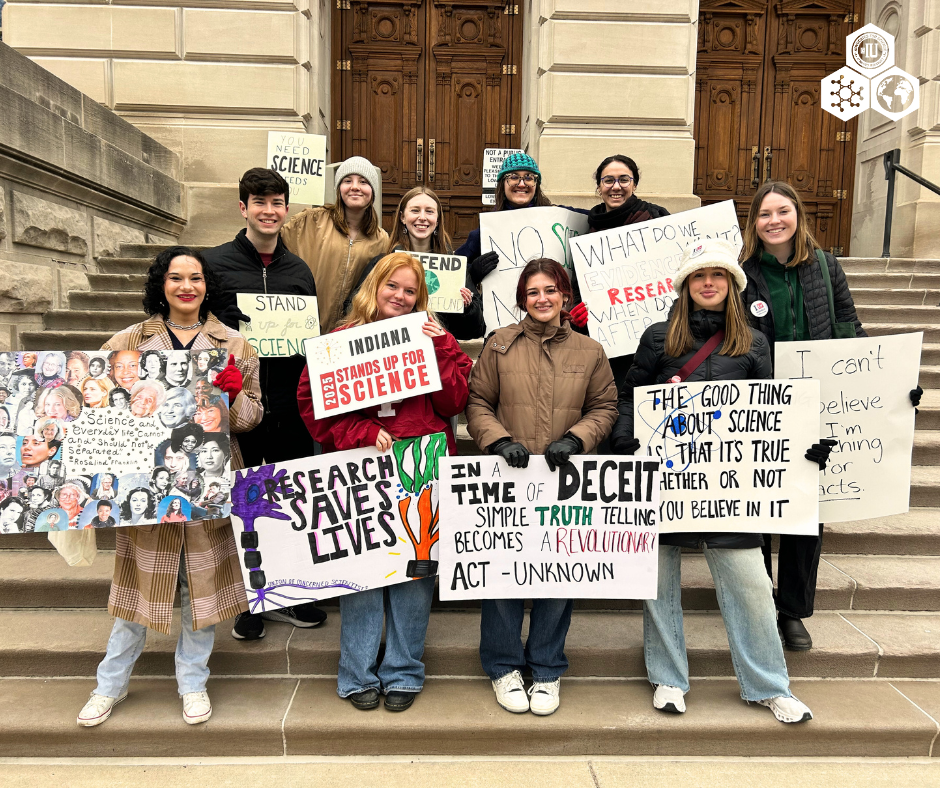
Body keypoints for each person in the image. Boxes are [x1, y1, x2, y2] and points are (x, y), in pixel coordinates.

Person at [610, 238, 833, 724]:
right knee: (658, 585)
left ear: (732, 284)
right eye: (698, 276)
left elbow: (773, 413)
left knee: (752, 586)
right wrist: (627, 440)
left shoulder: (754, 343)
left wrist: (805, 446)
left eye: (717, 275)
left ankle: (769, 685)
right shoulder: (657, 338)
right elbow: (630, 397)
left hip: (731, 489)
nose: (708, 283)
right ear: (685, 286)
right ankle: (668, 678)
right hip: (664, 482)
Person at [76, 245, 262, 729]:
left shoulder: (234, 344)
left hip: (209, 482)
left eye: (195, 278)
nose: (186, 286)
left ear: (207, 286)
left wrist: (233, 392)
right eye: (176, 277)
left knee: (201, 589)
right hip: (146, 483)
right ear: (161, 284)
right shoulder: (129, 340)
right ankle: (109, 685)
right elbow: (97, 402)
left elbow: (250, 420)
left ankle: (193, 682)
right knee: (137, 587)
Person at [736, 181, 918, 652]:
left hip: (821, 404)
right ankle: (759, 603)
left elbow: (851, 326)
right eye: (764, 214)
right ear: (753, 223)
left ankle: (793, 610)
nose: (774, 221)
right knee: (758, 510)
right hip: (761, 404)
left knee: (806, 511)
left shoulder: (825, 266)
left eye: (782, 211)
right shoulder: (743, 272)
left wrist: (893, 385)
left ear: (797, 214)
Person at [298, 252, 473, 712]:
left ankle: (404, 671)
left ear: (421, 298)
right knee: (362, 572)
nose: (400, 296)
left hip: (422, 464)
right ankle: (357, 673)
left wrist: (439, 348)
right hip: (361, 465)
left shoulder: (436, 337)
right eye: (392, 286)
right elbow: (313, 404)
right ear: (374, 286)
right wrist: (360, 431)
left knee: (415, 573)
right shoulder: (340, 341)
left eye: (410, 290)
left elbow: (455, 401)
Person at [465, 257, 617, 716]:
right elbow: (478, 401)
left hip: (562, 483)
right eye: (533, 292)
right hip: (508, 481)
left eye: (550, 290)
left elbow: (605, 407)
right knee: (502, 575)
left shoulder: (590, 351)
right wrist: (498, 440)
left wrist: (577, 438)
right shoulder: (499, 344)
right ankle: (503, 665)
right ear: (522, 299)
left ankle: (547, 668)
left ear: (565, 295)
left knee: (558, 573)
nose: (542, 298)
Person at [204, 168, 326, 640]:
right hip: (239, 407)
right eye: (259, 202)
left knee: (289, 499)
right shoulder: (214, 264)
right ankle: (249, 601)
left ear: (286, 210)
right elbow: (185, 322)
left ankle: (290, 593)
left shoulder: (299, 270)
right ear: (243, 208)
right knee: (244, 503)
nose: (268, 211)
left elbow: (310, 338)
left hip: (290, 406)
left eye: (276, 203)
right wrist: (218, 321)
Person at [572, 155, 672, 450]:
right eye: (608, 180)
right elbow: (579, 284)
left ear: (634, 184)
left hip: (655, 343)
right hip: (609, 346)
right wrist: (578, 314)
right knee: (609, 413)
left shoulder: (658, 220)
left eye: (624, 179)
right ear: (599, 186)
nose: (616, 187)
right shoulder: (586, 229)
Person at [347, 186, 484, 340]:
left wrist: (467, 308)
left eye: (429, 211)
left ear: (438, 220)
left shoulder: (455, 269)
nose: (422, 217)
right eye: (415, 210)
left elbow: (476, 330)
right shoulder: (381, 263)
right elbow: (353, 309)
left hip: (438, 350)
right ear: (402, 217)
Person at [456, 153, 586, 307]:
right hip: (502, 312)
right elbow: (456, 267)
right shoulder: (488, 229)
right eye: (513, 177)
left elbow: (595, 218)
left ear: (536, 184)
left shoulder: (558, 218)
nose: (522, 184)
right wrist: (474, 272)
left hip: (548, 311)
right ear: (503, 183)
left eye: (529, 177)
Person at [281, 156, 389, 333]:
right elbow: (272, 244)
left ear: (372, 191)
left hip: (348, 334)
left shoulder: (382, 239)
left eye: (363, 182)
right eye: (348, 181)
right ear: (339, 189)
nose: (355, 187)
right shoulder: (311, 221)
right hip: (304, 326)